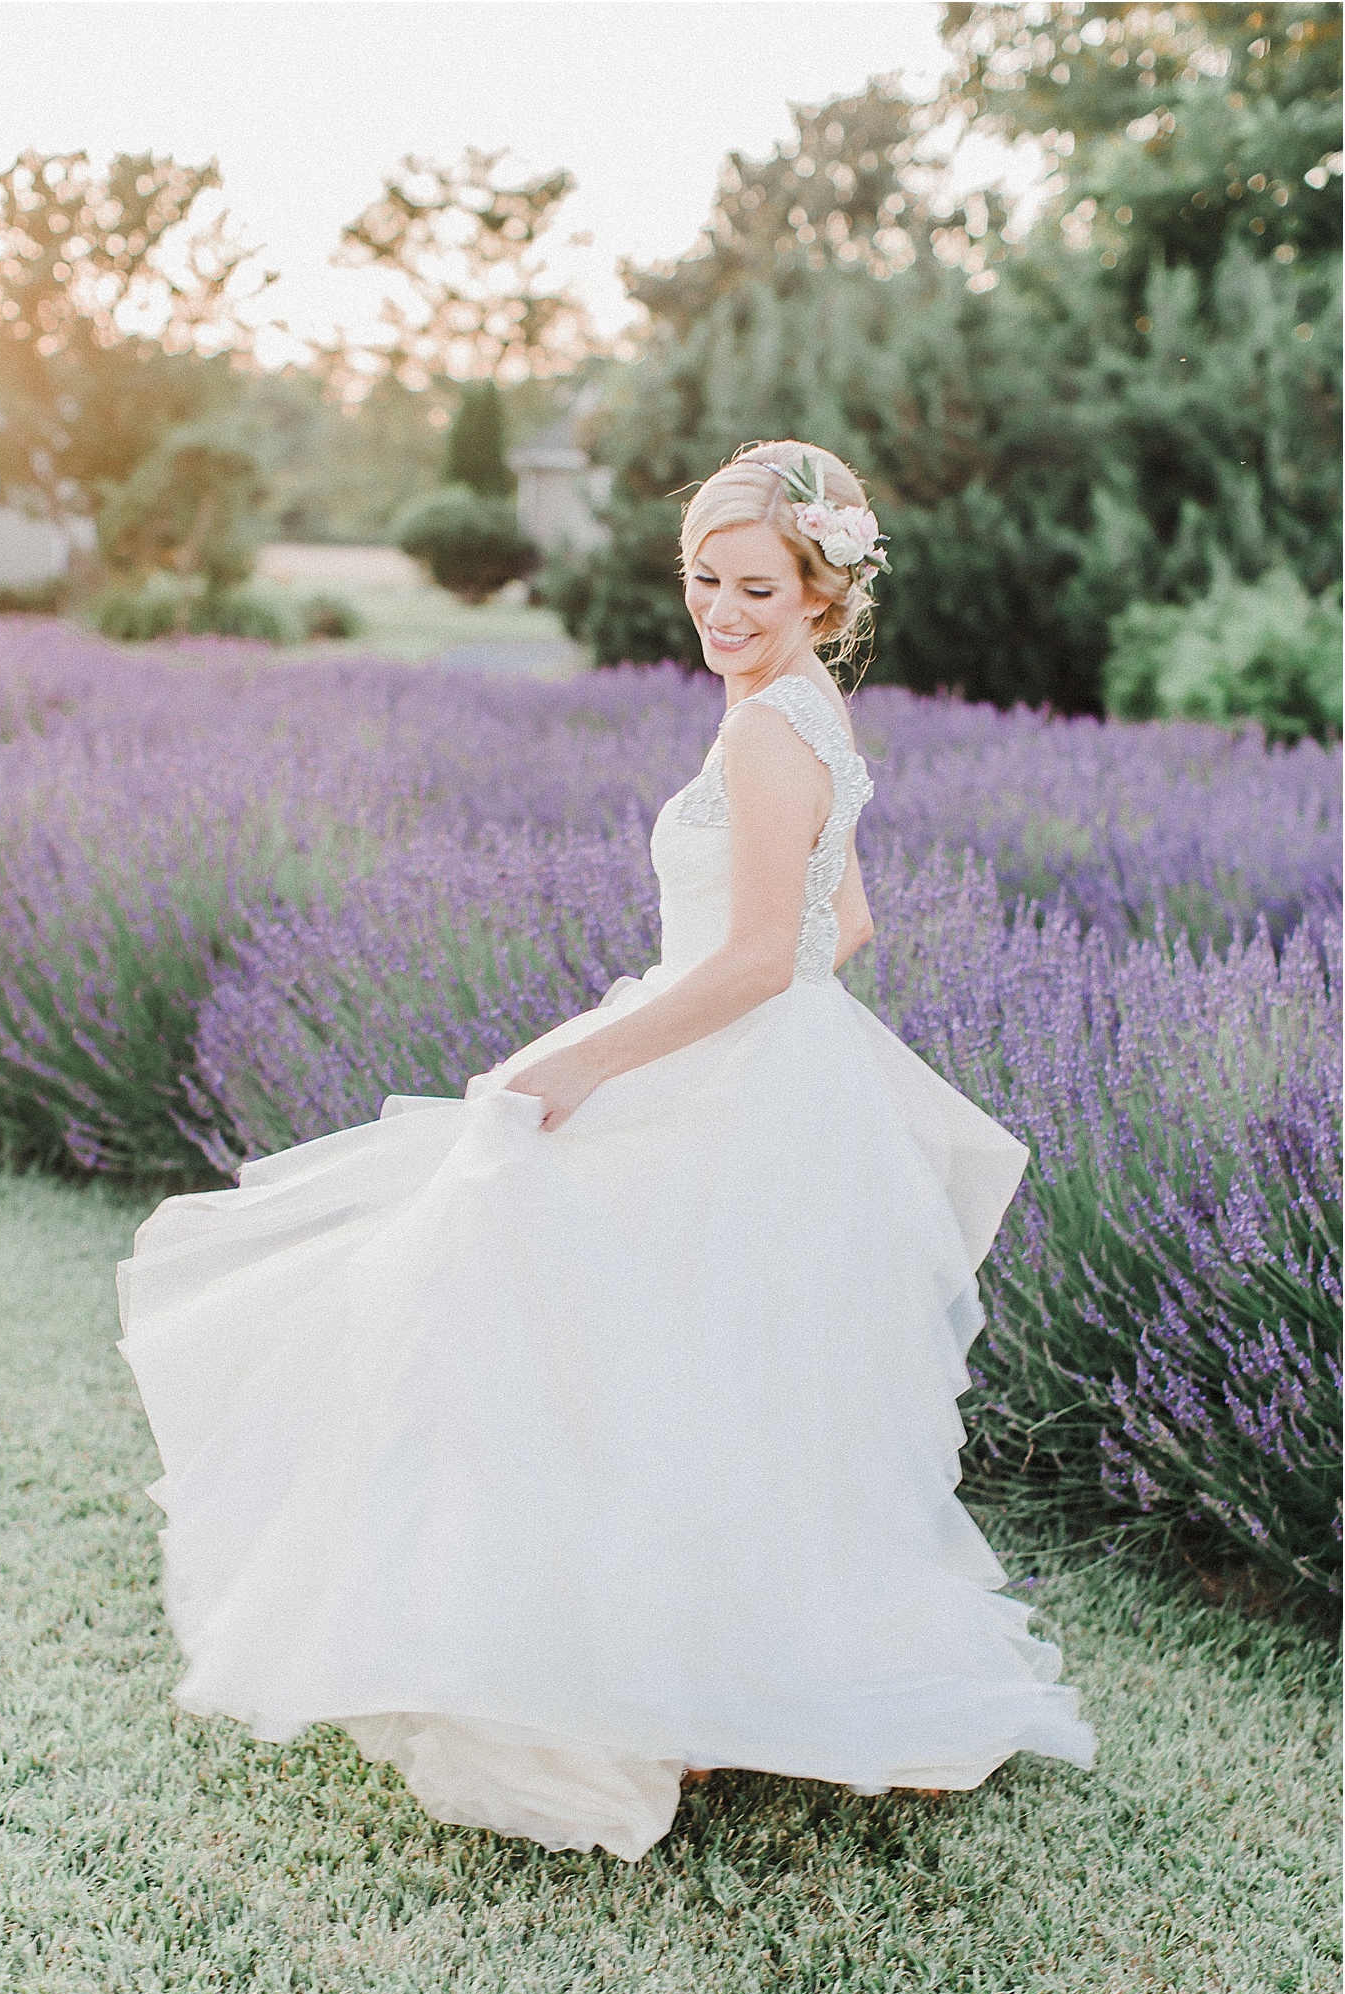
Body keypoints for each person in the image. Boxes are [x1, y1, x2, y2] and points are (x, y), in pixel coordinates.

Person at [118, 441, 1096, 1863]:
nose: (722, 609)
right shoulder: (809, 715)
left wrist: (589, 1052)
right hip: (779, 1076)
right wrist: (693, 999)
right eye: (704, 578)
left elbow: (770, 950)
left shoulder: (769, 728)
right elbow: (846, 928)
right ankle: (697, 1680)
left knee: (553, 1297)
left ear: (823, 589)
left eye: (757, 584)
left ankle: (635, 1677)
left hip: (737, 1077)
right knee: (712, 1376)